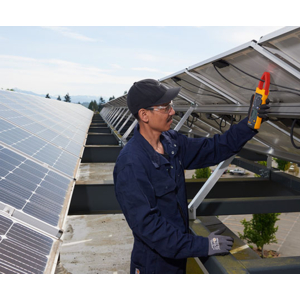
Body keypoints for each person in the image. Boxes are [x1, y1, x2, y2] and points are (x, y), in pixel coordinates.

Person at [113, 79, 269, 274]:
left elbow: (214, 148)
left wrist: (249, 124)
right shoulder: (131, 164)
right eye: (165, 107)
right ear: (144, 115)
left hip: (178, 258)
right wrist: (204, 245)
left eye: (171, 106)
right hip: (154, 266)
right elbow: (151, 228)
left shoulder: (172, 143)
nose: (172, 112)